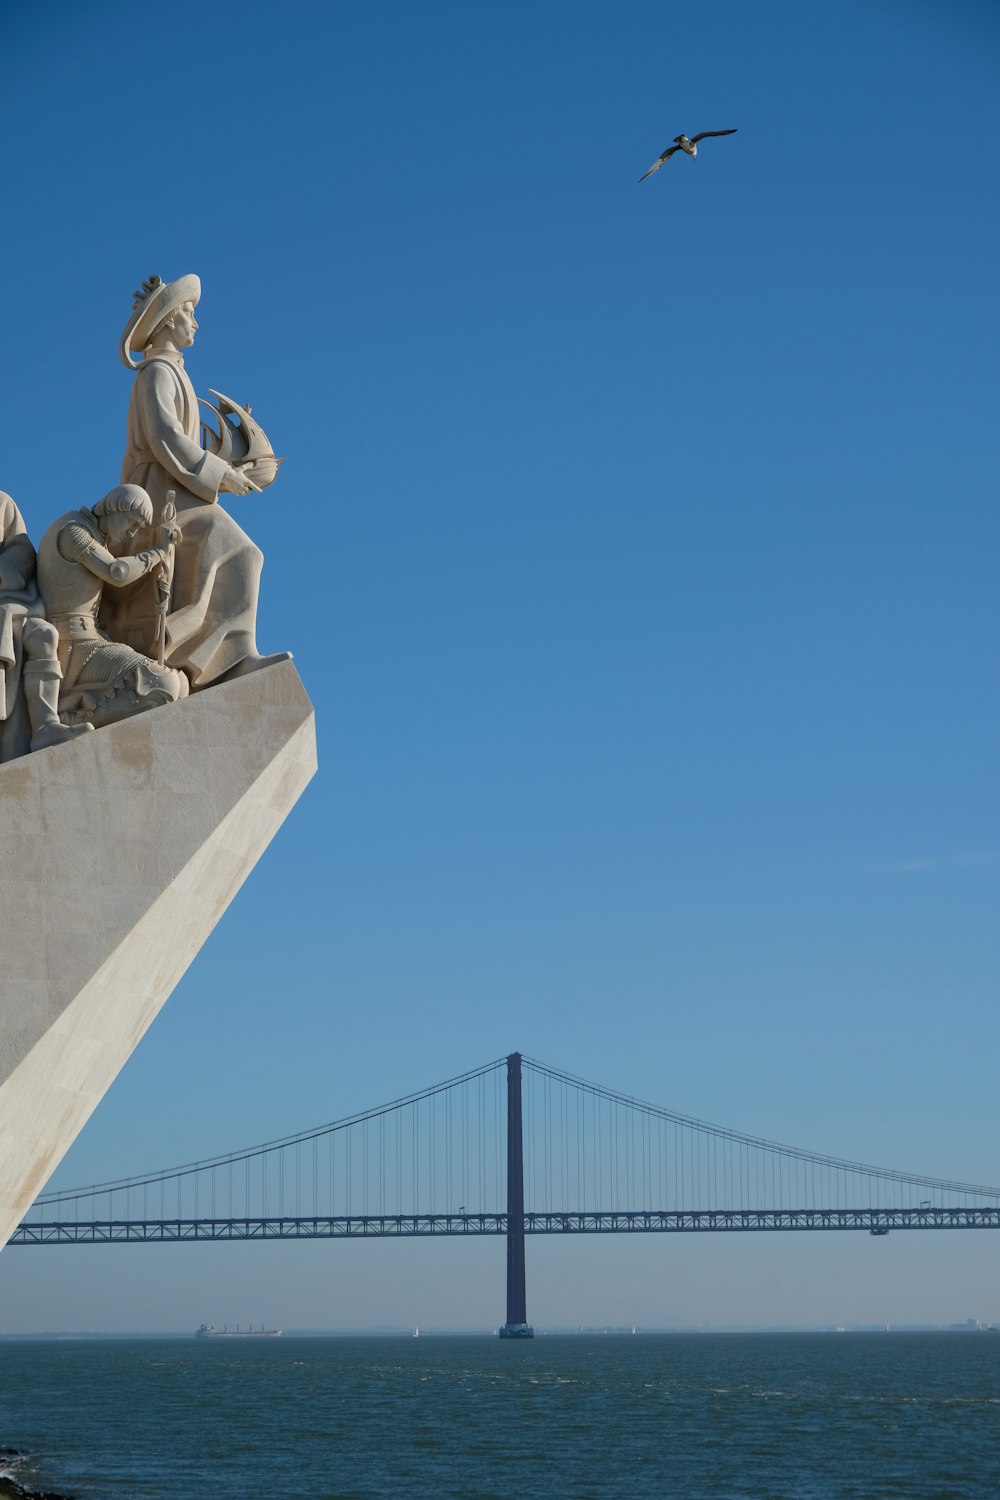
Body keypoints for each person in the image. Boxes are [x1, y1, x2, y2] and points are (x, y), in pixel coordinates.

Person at [103, 274, 288, 689]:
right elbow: (165, 438)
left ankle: (223, 654)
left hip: (179, 488)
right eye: (189, 313)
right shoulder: (156, 373)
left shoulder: (172, 372)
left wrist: (233, 463)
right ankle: (218, 655)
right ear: (168, 321)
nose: (196, 323)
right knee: (241, 550)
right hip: (157, 495)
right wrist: (222, 475)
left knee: (241, 552)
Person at [36, 486, 188, 729]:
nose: (132, 533)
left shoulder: (94, 538)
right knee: (163, 685)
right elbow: (116, 572)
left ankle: (80, 709)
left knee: (180, 686)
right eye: (133, 522)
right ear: (117, 507)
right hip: (73, 646)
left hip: (91, 641)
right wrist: (158, 551)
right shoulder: (74, 531)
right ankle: (70, 720)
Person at [0, 491, 93, 758]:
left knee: (44, 636)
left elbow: (22, 550)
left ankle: (45, 727)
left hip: (12, 603)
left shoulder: (2, 503)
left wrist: (3, 569)